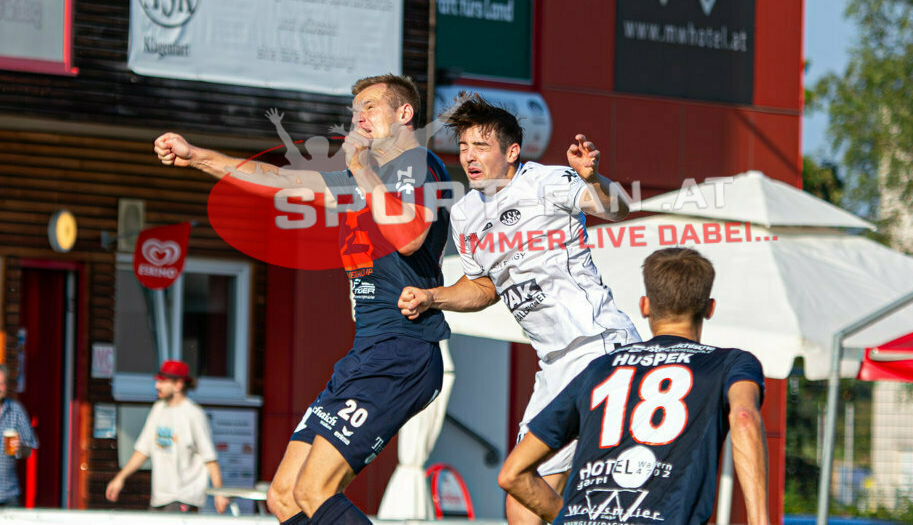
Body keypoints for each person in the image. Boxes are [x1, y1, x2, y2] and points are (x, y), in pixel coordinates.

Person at [153, 74, 452, 524]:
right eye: (355, 112)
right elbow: (276, 179)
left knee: (314, 490)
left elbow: (409, 237)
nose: (359, 118)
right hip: (366, 351)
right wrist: (198, 157)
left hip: (403, 348)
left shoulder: (417, 163)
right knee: (284, 496)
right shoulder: (359, 178)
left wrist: (359, 167)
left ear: (404, 113)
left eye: (370, 107)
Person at [397, 95, 641, 524]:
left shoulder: (545, 181)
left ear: (512, 152)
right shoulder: (466, 214)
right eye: (465, 147)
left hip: (599, 347)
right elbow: (483, 288)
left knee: (583, 485)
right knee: (522, 501)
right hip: (553, 366)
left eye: (481, 147)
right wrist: (432, 296)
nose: (470, 157)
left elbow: (617, 209)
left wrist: (594, 177)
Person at [498, 247, 770, 524]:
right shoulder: (731, 363)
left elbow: (512, 474)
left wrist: (565, 517)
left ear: (645, 306)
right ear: (710, 308)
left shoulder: (600, 368)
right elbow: (745, 418)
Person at [105, 360, 230, 513]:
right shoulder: (158, 409)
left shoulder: (193, 414)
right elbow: (142, 450)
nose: (157, 386)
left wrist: (219, 493)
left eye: (163, 382)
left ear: (178, 385)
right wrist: (120, 478)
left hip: (184, 496)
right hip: (159, 497)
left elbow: (210, 458)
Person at [0, 364, 38, 507]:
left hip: (8, 493)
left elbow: (30, 448)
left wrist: (21, 447)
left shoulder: (15, 410)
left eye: (2, 384)